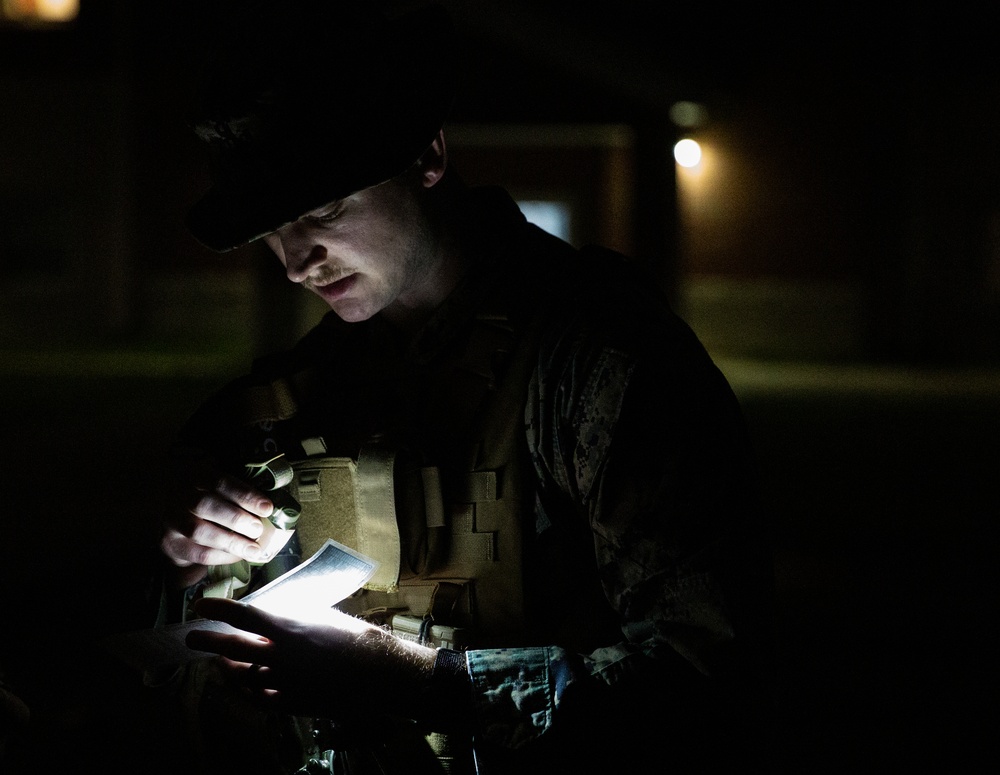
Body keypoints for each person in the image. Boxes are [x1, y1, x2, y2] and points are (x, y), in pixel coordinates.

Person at [154, 2, 778, 773]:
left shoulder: (601, 366)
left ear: (427, 157)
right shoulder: (287, 399)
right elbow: (181, 695)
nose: (295, 259)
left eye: (323, 208)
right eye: (273, 228)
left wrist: (416, 679)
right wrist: (194, 565)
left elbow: (706, 679)